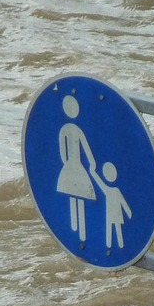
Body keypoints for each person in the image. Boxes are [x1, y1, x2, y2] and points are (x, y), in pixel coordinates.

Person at [56, 95, 97, 240]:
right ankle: (77, 231)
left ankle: (80, 233)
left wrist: (91, 162)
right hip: (74, 166)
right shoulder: (67, 129)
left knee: (78, 195)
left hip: (73, 166)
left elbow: (85, 147)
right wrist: (90, 163)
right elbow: (63, 149)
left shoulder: (69, 129)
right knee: (75, 195)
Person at [91, 162, 132, 250]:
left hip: (116, 213)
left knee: (116, 228)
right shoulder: (110, 190)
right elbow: (100, 183)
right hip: (111, 213)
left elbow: (122, 201)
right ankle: (110, 245)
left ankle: (119, 246)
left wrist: (128, 211)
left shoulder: (114, 190)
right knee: (110, 228)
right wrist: (93, 172)